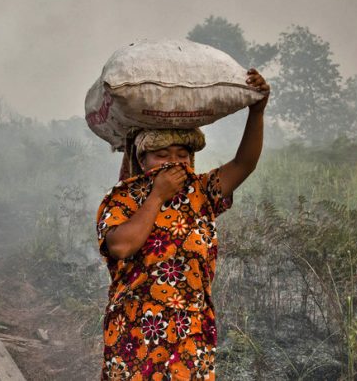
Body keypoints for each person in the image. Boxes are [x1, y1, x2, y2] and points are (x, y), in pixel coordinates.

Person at [96, 69, 270, 380]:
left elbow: (245, 163)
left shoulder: (201, 192)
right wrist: (157, 197)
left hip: (190, 333)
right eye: (162, 155)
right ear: (143, 158)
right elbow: (122, 246)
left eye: (182, 154)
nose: (174, 162)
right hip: (135, 333)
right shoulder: (123, 198)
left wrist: (257, 110)